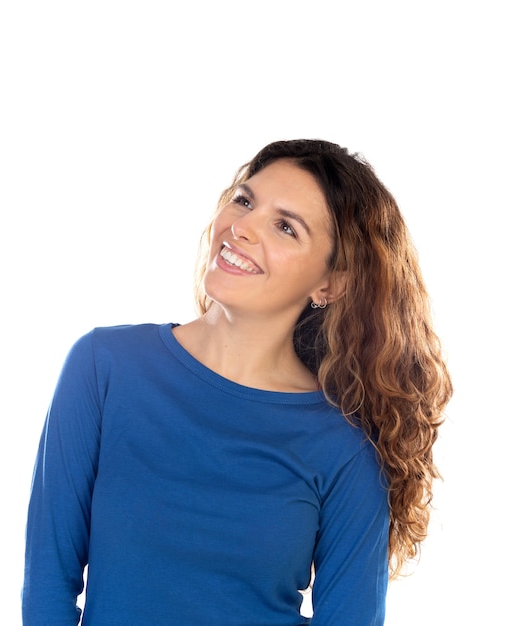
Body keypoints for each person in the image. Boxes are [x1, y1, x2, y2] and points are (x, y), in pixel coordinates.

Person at [22, 139, 452, 625]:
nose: (242, 227)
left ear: (331, 285)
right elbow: (46, 586)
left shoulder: (345, 450)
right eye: (245, 201)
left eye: (285, 227)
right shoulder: (103, 367)